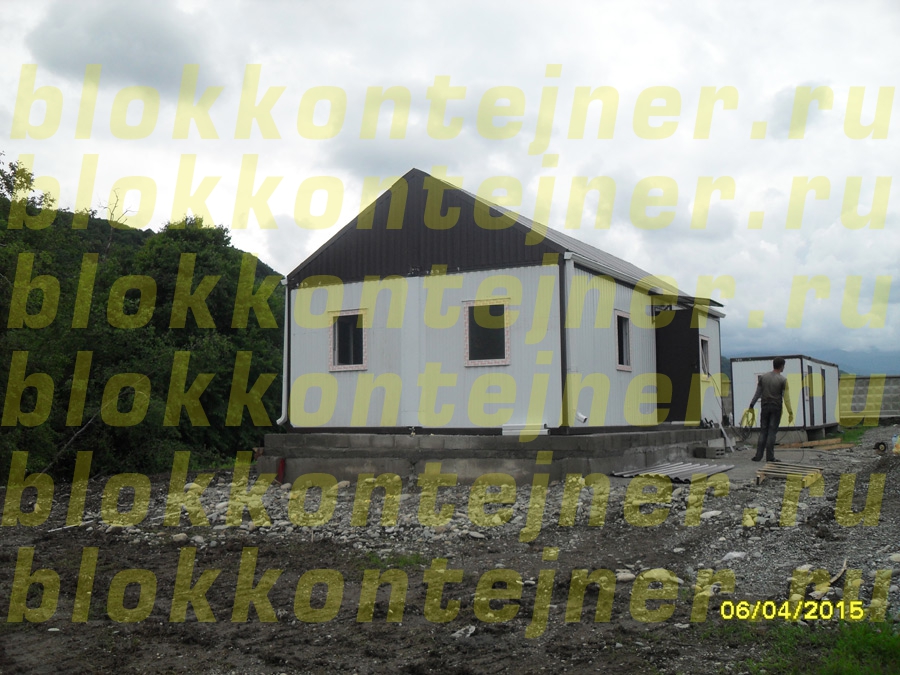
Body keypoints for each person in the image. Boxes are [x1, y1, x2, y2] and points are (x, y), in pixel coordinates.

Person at [746, 357, 794, 462]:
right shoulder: (783, 380)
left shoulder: (763, 378)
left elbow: (758, 393)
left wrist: (751, 405)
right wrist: (790, 412)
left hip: (765, 407)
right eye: (784, 366)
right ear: (781, 366)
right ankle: (770, 457)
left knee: (763, 431)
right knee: (772, 432)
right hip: (776, 408)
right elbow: (786, 398)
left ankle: (758, 456)